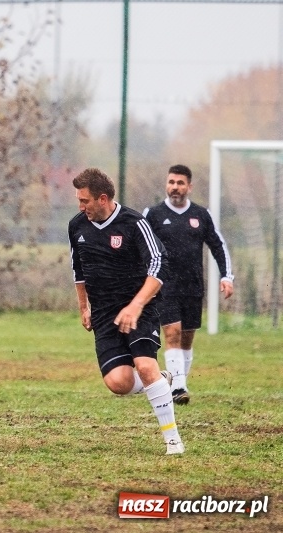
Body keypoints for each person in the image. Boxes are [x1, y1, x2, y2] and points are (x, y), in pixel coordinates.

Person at [69, 167, 184, 455]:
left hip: (139, 308)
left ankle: (173, 441)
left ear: (103, 199)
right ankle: (161, 380)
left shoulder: (134, 223)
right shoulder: (77, 226)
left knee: (145, 366)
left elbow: (159, 264)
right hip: (105, 315)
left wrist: (136, 305)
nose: (81, 207)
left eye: (85, 201)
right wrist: (84, 307)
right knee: (118, 382)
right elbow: (78, 270)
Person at [143, 164, 234, 405]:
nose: (175, 187)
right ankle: (178, 388)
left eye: (180, 183)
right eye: (171, 182)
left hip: (193, 286)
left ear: (189, 186)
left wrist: (226, 276)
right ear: (166, 184)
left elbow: (218, 245)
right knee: (171, 333)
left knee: (186, 338)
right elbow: (139, 248)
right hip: (164, 285)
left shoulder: (201, 215)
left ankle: (180, 381)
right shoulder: (153, 214)